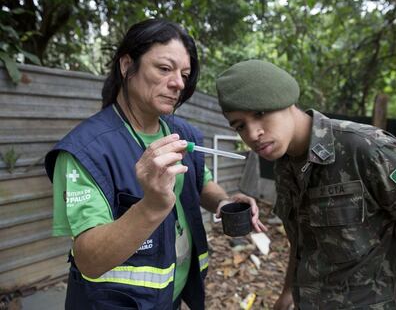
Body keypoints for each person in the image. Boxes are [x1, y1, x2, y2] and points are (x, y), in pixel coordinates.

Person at [44, 20, 266, 310]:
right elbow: (89, 260)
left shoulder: (182, 134)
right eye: (164, 69)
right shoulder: (86, 151)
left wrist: (223, 203)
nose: (178, 83)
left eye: (184, 74)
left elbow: (200, 182)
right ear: (127, 65)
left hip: (170, 296)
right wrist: (151, 206)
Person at [215, 59, 396, 309]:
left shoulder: (367, 149)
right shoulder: (285, 164)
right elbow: (303, 243)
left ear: (286, 99)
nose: (253, 134)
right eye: (240, 126)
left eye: (260, 113)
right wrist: (288, 294)